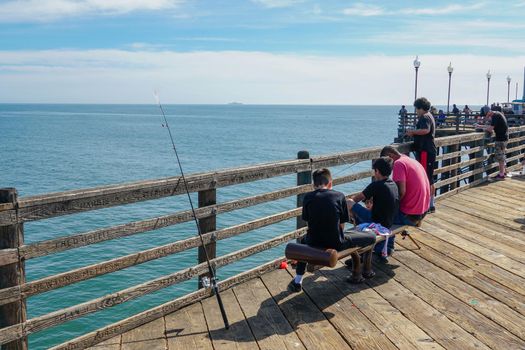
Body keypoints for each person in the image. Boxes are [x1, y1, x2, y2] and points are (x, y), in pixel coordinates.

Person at [289, 168, 376, 292]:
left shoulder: (308, 197)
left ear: (314, 185)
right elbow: (342, 225)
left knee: (304, 241)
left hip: (313, 241)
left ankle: (298, 281)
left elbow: (309, 223)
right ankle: (365, 268)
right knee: (371, 236)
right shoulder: (339, 196)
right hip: (336, 243)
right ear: (330, 183)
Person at [379, 146, 430, 254]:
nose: (388, 168)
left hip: (410, 216)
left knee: (380, 216)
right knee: (390, 212)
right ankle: (388, 246)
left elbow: (401, 193)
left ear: (390, 156)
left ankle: (382, 249)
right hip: (423, 211)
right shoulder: (411, 160)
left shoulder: (399, 164)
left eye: (387, 163)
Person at [347, 157, 399, 259]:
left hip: (377, 222)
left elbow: (356, 199)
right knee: (360, 212)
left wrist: (349, 202)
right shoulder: (393, 184)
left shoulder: (376, 185)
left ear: (377, 171)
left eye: (374, 171)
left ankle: (359, 249)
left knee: (349, 203)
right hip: (389, 221)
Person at [405, 97, 436, 213]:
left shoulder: (424, 117)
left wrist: (412, 132)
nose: (416, 112)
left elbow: (426, 130)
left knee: (426, 178)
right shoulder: (429, 115)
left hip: (425, 151)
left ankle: (428, 204)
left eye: (417, 109)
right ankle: (431, 203)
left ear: (421, 108)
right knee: (429, 177)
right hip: (428, 150)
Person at [477, 111, 508, 179]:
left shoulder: (495, 116)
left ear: (489, 114)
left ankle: (501, 175)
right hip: (504, 138)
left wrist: (482, 128)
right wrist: (480, 126)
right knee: (502, 155)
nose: (489, 119)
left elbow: (490, 129)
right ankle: (504, 172)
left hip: (500, 139)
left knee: (500, 157)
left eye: (488, 117)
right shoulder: (499, 114)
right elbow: (491, 126)